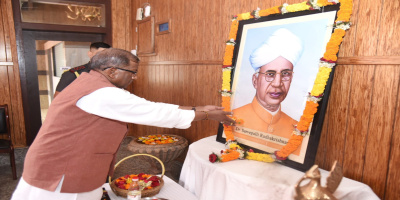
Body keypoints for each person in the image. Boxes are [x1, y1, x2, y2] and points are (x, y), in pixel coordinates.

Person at [11, 48, 235, 200]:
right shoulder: (101, 93)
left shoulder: (91, 81)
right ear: (111, 71)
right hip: (62, 170)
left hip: (64, 162)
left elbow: (147, 105)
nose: (134, 78)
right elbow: (153, 111)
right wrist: (205, 115)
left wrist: (199, 109)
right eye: (133, 73)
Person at [232, 28, 303, 153]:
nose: (277, 83)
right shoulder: (233, 117)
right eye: (270, 74)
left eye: (285, 74)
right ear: (255, 80)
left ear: (291, 78)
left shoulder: (297, 129)